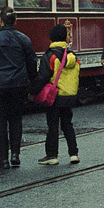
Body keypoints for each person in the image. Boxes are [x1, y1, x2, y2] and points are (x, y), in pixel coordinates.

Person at [0, 7, 38, 169]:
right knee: (16, 119)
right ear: (16, 21)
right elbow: (32, 63)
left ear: (0, 21)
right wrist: (32, 81)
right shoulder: (24, 39)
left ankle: (2, 158)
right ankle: (15, 154)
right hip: (19, 84)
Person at [35, 23, 80, 165]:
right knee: (68, 124)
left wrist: (32, 91)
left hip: (54, 97)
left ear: (51, 38)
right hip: (69, 95)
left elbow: (43, 77)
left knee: (53, 126)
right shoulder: (72, 55)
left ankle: (52, 155)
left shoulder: (50, 56)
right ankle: (73, 154)